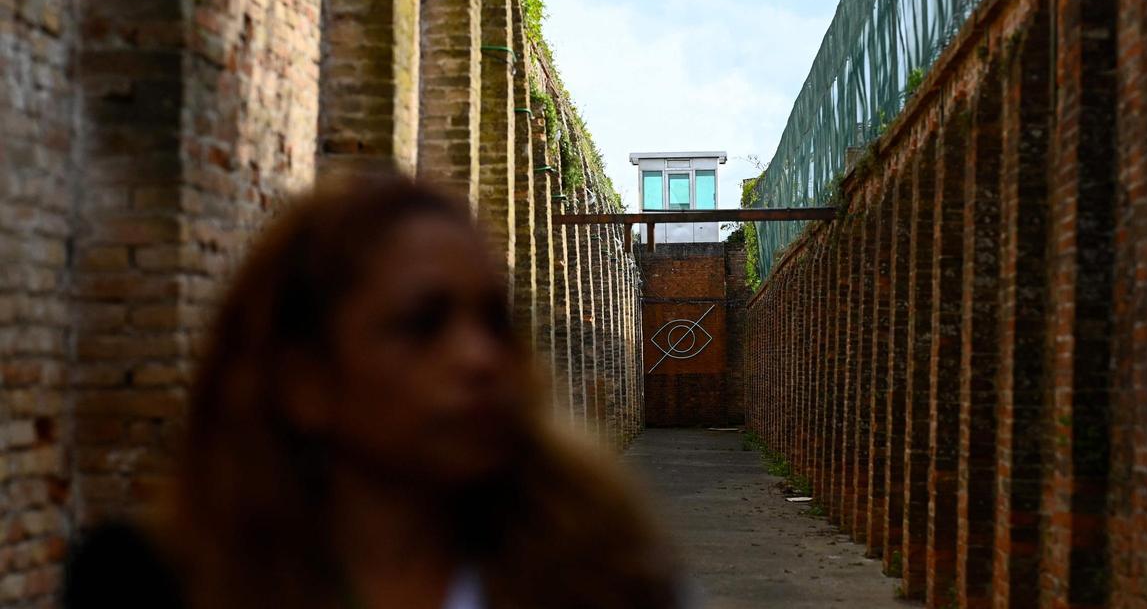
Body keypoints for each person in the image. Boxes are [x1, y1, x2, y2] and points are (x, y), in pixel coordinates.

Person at [65, 170, 684, 609]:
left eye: (495, 321)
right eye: (422, 324)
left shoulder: (600, 575)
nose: (480, 359)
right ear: (304, 378)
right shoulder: (149, 584)